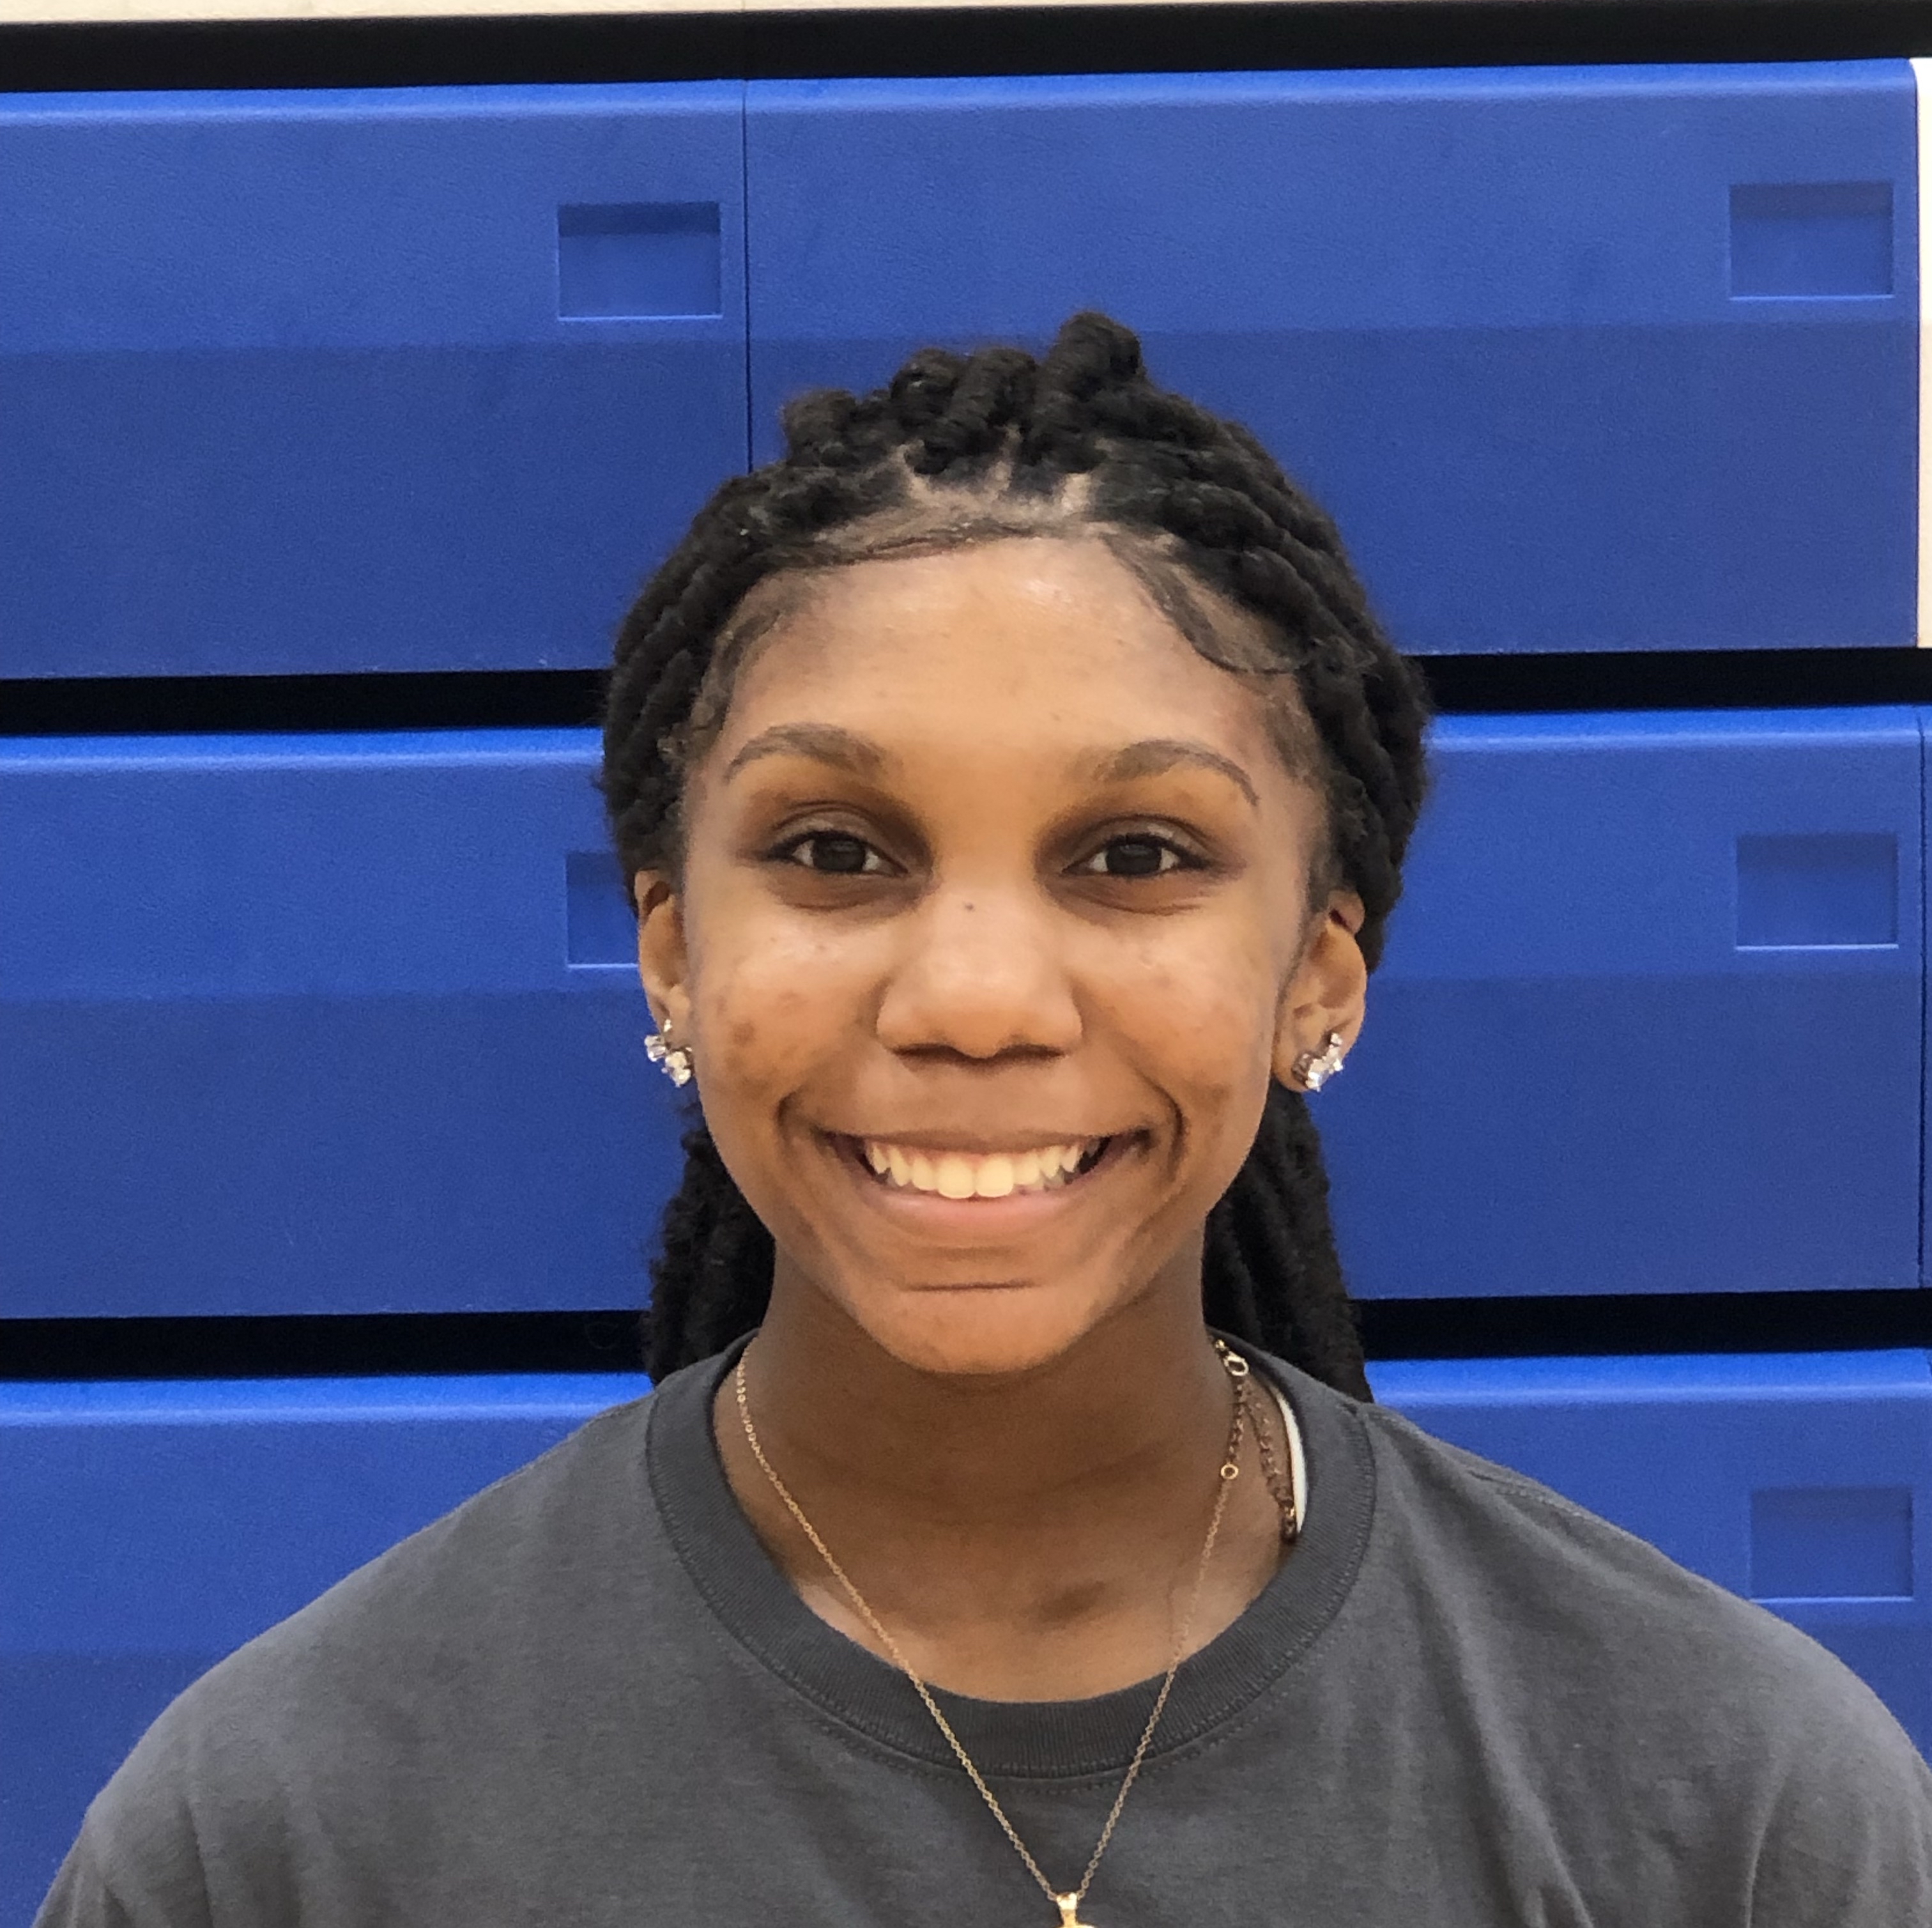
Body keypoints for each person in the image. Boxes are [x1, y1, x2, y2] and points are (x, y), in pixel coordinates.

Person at [36, 312, 1932, 1927]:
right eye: (835, 849)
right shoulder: (287, 1835)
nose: (973, 999)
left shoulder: (1730, 1810)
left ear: (1318, 979)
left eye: (1137, 855)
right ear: (674, 954)